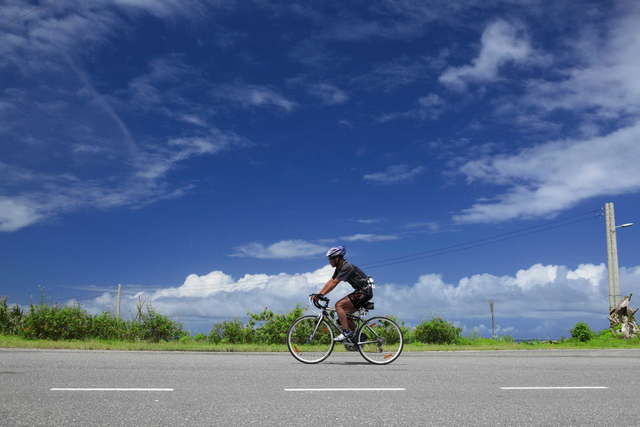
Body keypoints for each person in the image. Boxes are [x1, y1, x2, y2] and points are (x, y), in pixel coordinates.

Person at [313, 246, 373, 343]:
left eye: (331, 258)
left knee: (339, 305)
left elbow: (334, 283)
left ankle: (346, 332)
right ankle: (358, 337)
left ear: (338, 258)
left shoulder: (346, 267)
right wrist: (319, 294)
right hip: (361, 291)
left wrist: (321, 295)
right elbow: (331, 281)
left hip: (364, 291)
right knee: (344, 317)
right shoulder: (339, 268)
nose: (329, 261)